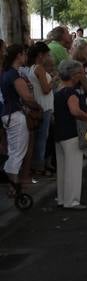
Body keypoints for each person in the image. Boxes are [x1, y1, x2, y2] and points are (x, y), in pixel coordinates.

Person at [53, 59, 87, 209]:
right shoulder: (71, 92)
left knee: (63, 169)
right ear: (74, 75)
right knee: (73, 169)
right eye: (80, 74)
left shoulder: (58, 90)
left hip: (60, 133)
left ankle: (63, 199)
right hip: (71, 133)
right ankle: (72, 201)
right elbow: (75, 111)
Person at [0, 45, 41, 187]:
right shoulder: (13, 74)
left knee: (14, 151)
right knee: (17, 152)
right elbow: (27, 97)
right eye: (24, 54)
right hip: (15, 115)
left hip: (9, 114)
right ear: (18, 55)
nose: (26, 57)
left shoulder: (7, 73)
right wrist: (38, 107)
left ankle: (13, 184)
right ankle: (14, 187)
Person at [26, 41, 54, 177]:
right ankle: (39, 167)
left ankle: (35, 165)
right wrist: (54, 79)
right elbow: (46, 89)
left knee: (37, 138)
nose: (48, 57)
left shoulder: (31, 68)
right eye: (47, 54)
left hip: (38, 105)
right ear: (41, 55)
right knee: (42, 137)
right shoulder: (40, 69)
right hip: (45, 106)